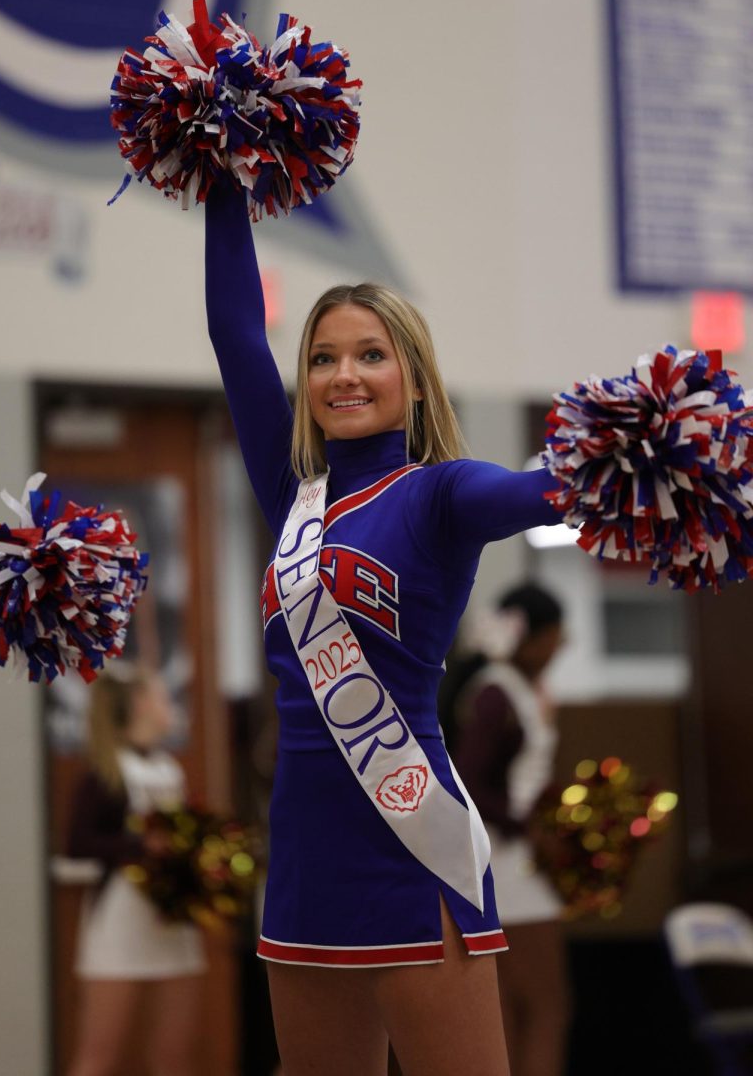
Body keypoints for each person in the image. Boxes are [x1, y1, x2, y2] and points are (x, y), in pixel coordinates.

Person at [204, 183, 564, 1076]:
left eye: (371, 354)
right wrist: (219, 166)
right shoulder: (294, 503)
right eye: (323, 358)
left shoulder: (441, 494)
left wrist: (633, 453)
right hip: (303, 859)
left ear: (412, 374)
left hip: (412, 842)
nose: (343, 375)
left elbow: (537, 490)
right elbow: (237, 338)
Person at [453, 583, 570, 1076]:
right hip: (507, 866)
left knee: (518, 1009)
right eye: (557, 638)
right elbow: (470, 781)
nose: (561, 648)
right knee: (544, 1007)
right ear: (533, 637)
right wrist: (528, 828)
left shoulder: (516, 688)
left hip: (516, 861)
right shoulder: (496, 690)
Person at [66, 664, 206, 1076]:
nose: (171, 706)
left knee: (174, 1060)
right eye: (164, 697)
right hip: (119, 925)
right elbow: (78, 843)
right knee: (98, 1057)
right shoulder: (107, 771)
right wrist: (140, 847)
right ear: (142, 704)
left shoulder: (170, 769)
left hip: (173, 919)